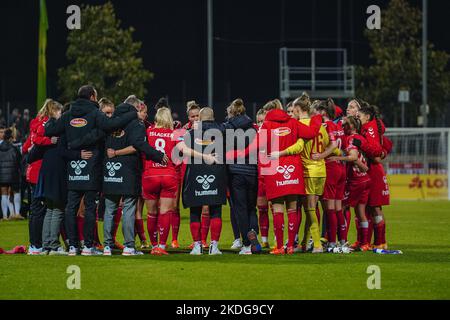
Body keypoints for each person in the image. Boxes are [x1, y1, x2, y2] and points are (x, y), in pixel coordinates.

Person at [44, 85, 142, 256]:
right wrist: (132, 113)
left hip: (74, 166)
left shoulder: (68, 115)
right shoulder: (95, 114)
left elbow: (50, 130)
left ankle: (73, 246)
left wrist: (72, 145)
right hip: (92, 164)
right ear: (91, 97)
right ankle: (88, 246)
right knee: (90, 207)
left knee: (71, 207)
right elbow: (111, 125)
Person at [101, 96, 167, 256]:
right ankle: (129, 246)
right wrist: (157, 155)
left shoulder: (110, 120)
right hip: (129, 170)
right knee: (129, 208)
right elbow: (139, 144)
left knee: (110, 209)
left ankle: (107, 247)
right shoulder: (135, 122)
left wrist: (112, 153)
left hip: (110, 169)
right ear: (136, 108)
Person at [260, 98, 321, 255]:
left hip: (276, 169)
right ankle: (292, 246)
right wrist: (317, 118)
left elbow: (257, 147)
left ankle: (280, 246)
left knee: (278, 209)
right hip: (294, 169)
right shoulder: (293, 123)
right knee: (293, 209)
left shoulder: (267, 125)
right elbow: (312, 133)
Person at [178, 107, 226, 255]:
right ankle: (214, 247)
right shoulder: (223, 130)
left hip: (196, 173)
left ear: (200, 117)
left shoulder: (191, 132)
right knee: (215, 211)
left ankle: (197, 247)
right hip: (216, 173)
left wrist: (201, 155)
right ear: (213, 117)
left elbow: (181, 148)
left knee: (195, 210)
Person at [23, 99, 61, 254]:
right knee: (40, 209)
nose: (60, 114)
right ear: (52, 111)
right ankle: (37, 244)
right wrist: (50, 141)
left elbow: (26, 147)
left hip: (33, 171)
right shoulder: (45, 124)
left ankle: (36, 244)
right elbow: (38, 140)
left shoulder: (35, 124)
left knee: (37, 209)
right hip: (39, 171)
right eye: (58, 111)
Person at [328, 116, 372, 251]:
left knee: (341, 207)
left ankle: (343, 240)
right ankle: (363, 243)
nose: (342, 126)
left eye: (345, 124)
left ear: (352, 126)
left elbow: (353, 157)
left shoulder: (352, 138)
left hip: (356, 180)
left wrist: (337, 157)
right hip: (365, 179)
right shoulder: (359, 137)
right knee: (360, 212)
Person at [224, 99, 260, 255]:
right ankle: (253, 233)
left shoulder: (228, 128)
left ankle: (246, 245)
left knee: (240, 209)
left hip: (236, 172)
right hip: (252, 172)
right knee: (252, 208)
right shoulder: (253, 128)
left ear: (231, 112)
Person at [313, 99, 349, 252]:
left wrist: (321, 155)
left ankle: (333, 243)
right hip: (341, 167)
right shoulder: (338, 126)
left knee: (330, 208)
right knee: (338, 207)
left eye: (317, 112)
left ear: (323, 112)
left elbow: (333, 145)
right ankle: (342, 241)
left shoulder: (326, 125)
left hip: (331, 167)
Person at [142, 107, 179, 255]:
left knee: (151, 213)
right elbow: (178, 156)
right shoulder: (173, 134)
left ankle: (153, 246)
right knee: (165, 212)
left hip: (150, 175)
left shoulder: (148, 131)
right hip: (168, 175)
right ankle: (162, 247)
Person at [359, 104, 391, 250]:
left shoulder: (369, 128)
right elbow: (384, 148)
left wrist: (362, 144)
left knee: (375, 208)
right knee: (370, 209)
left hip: (374, 173)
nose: (357, 118)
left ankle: (381, 242)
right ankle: (375, 242)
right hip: (372, 171)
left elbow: (376, 154)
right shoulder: (369, 127)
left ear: (367, 117)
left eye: (359, 116)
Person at [0, 129, 22, 221]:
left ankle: (5, 216)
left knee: (4, 194)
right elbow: (19, 160)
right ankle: (16, 213)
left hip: (2, 174)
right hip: (13, 174)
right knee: (16, 192)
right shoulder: (14, 148)